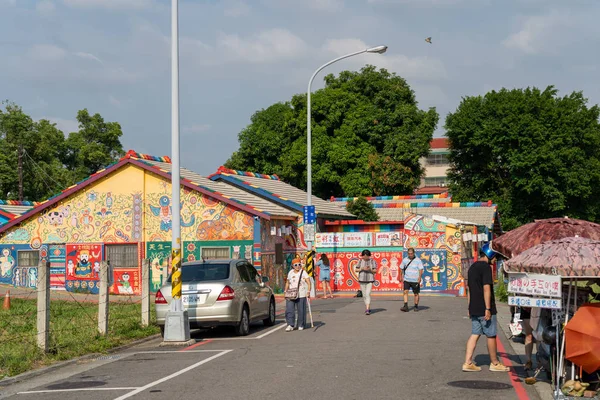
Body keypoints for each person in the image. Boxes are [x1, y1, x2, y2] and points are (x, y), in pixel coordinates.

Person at [463, 249, 510, 372]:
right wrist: (488, 308)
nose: (495, 261)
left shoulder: (472, 267)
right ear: (489, 255)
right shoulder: (485, 268)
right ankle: (494, 363)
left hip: (474, 307)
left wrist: (469, 307)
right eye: (494, 258)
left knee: (475, 333)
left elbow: (469, 289)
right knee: (491, 335)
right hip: (485, 308)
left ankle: (467, 362)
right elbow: (486, 289)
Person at [284, 257, 312, 332]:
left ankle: (301, 324)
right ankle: (290, 325)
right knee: (289, 309)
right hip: (291, 294)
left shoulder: (303, 272)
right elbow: (287, 282)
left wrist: (308, 291)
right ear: (292, 266)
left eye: (299, 264)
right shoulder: (290, 272)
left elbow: (309, 282)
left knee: (301, 310)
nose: (297, 266)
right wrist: (285, 291)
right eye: (295, 265)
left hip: (301, 293)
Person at [400, 248, 424, 312]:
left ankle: (416, 306)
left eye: (411, 253)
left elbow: (420, 269)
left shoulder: (418, 260)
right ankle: (405, 306)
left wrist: (419, 277)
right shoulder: (405, 260)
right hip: (407, 279)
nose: (410, 255)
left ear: (414, 253)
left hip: (415, 280)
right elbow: (401, 268)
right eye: (409, 254)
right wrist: (401, 276)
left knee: (416, 293)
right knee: (405, 292)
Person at [355, 249, 377, 315]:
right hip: (362, 279)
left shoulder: (372, 261)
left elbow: (375, 270)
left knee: (368, 294)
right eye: (364, 256)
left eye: (366, 256)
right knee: (364, 295)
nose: (365, 257)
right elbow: (356, 269)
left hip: (370, 280)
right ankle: (368, 307)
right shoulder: (360, 261)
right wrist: (362, 268)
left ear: (369, 256)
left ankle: (367, 309)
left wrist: (370, 269)